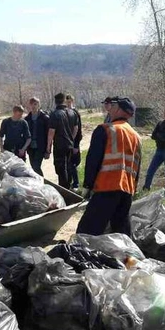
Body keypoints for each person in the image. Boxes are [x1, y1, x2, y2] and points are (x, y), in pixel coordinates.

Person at [76, 96, 142, 237]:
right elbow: (137, 167)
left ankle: (77, 256)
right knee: (122, 235)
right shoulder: (136, 136)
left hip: (107, 187)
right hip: (127, 191)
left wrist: (87, 186)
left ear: (119, 109)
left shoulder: (105, 130)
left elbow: (93, 160)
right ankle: (128, 259)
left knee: (86, 232)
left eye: (112, 106)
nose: (109, 108)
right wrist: (133, 190)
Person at [46, 93, 79, 188]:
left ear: (55, 102)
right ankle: (68, 186)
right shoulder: (73, 113)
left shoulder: (55, 114)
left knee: (60, 168)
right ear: (64, 100)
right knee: (68, 166)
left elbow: (51, 132)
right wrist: (71, 138)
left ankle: (64, 189)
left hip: (59, 145)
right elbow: (76, 128)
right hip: (69, 144)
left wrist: (48, 147)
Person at [24, 96, 50, 176]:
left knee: (36, 166)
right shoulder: (27, 119)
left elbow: (49, 135)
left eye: (35, 104)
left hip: (41, 146)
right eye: (31, 104)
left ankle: (42, 183)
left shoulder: (45, 118)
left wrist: (48, 150)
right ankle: (38, 184)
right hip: (31, 147)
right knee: (33, 167)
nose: (33, 106)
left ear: (39, 105)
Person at [66, 94, 82, 190]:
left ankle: (76, 183)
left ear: (72, 101)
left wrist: (76, 145)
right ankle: (69, 182)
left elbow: (78, 130)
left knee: (73, 164)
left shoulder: (75, 113)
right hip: (66, 142)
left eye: (70, 101)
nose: (68, 103)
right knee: (67, 163)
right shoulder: (64, 112)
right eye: (67, 101)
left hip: (74, 142)